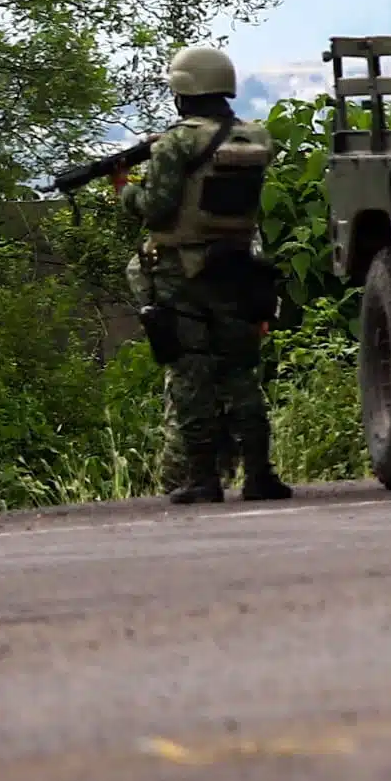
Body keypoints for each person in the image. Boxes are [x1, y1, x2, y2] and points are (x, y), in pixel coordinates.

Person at [117, 45, 288, 505]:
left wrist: (124, 191)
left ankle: (203, 478)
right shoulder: (255, 137)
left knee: (191, 371)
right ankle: (259, 475)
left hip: (182, 272)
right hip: (235, 266)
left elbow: (156, 208)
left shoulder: (177, 143)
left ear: (183, 91)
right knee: (239, 372)